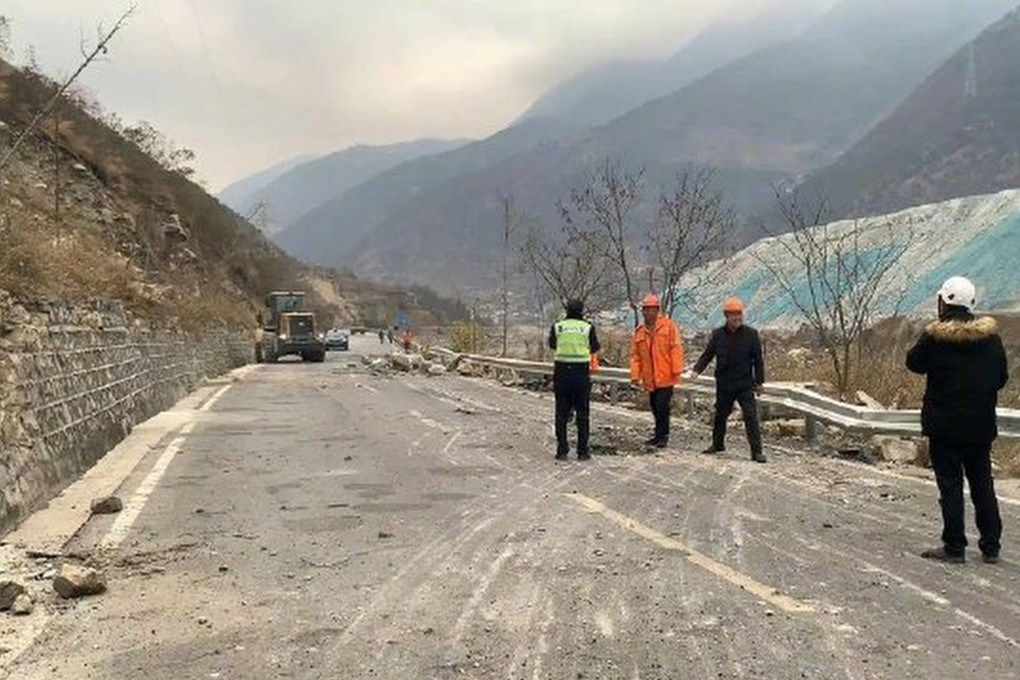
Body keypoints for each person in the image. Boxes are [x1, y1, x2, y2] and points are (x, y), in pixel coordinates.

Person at [906, 276, 1008, 564]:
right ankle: (991, 545)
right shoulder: (991, 339)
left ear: (944, 302)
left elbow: (913, 362)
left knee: (950, 485)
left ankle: (954, 545)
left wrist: (928, 334)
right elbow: (1001, 378)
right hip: (980, 424)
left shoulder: (936, 337)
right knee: (982, 483)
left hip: (945, 425)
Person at [692, 296, 766, 463]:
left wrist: (760, 382)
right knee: (720, 415)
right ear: (726, 316)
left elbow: (758, 360)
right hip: (724, 383)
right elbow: (708, 355)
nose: (737, 317)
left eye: (739, 313)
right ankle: (717, 444)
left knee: (750, 416)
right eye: (734, 314)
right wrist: (697, 370)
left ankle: (757, 452)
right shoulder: (718, 335)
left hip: (745, 384)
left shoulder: (751, 335)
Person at [630, 293, 684, 449]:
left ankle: (663, 436)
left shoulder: (668, 326)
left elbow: (676, 348)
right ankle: (658, 434)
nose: (648, 313)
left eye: (651, 309)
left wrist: (676, 369)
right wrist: (635, 375)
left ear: (657, 310)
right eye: (645, 310)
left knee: (662, 406)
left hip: (665, 375)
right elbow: (635, 356)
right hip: (649, 378)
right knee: (654, 406)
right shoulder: (639, 332)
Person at [548, 299, 600, 460]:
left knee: (561, 413)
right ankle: (582, 451)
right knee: (582, 414)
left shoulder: (558, 326)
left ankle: (562, 450)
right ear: (582, 311)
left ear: (567, 310)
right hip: (581, 373)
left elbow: (552, 344)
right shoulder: (587, 328)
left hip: (562, 372)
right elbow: (595, 347)